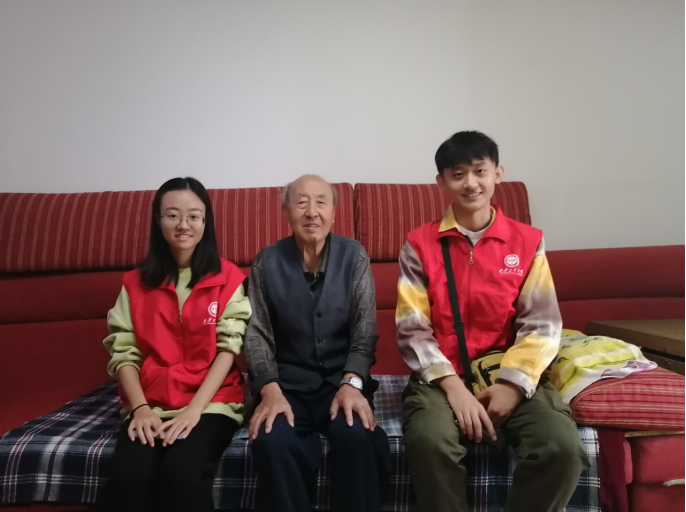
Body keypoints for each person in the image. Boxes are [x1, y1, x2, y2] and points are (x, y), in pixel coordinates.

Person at [396, 132, 590, 512]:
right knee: (430, 443)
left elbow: (542, 325)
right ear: (442, 181)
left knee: (562, 449)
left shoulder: (527, 242)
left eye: (480, 171)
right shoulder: (418, 244)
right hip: (441, 377)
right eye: (458, 174)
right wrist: (454, 388)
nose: (470, 183)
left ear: (497, 174)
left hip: (510, 370)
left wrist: (512, 386)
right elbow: (411, 328)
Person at [103, 177, 251, 512]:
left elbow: (229, 348)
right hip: (151, 401)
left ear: (205, 222)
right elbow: (123, 352)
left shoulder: (228, 278)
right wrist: (140, 408)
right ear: (158, 221)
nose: (183, 224)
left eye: (193, 216)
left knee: (182, 475)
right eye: (172, 215)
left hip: (211, 402)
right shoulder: (135, 282)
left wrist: (195, 410)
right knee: (129, 478)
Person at [244, 175, 391, 512]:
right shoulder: (267, 261)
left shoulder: (354, 256)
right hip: (286, 386)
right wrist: (269, 389)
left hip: (342, 381)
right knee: (271, 441)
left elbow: (365, 331)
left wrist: (352, 384)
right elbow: (256, 334)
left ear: (334, 212)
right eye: (301, 202)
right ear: (286, 212)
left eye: (321, 202)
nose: (312, 211)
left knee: (356, 436)